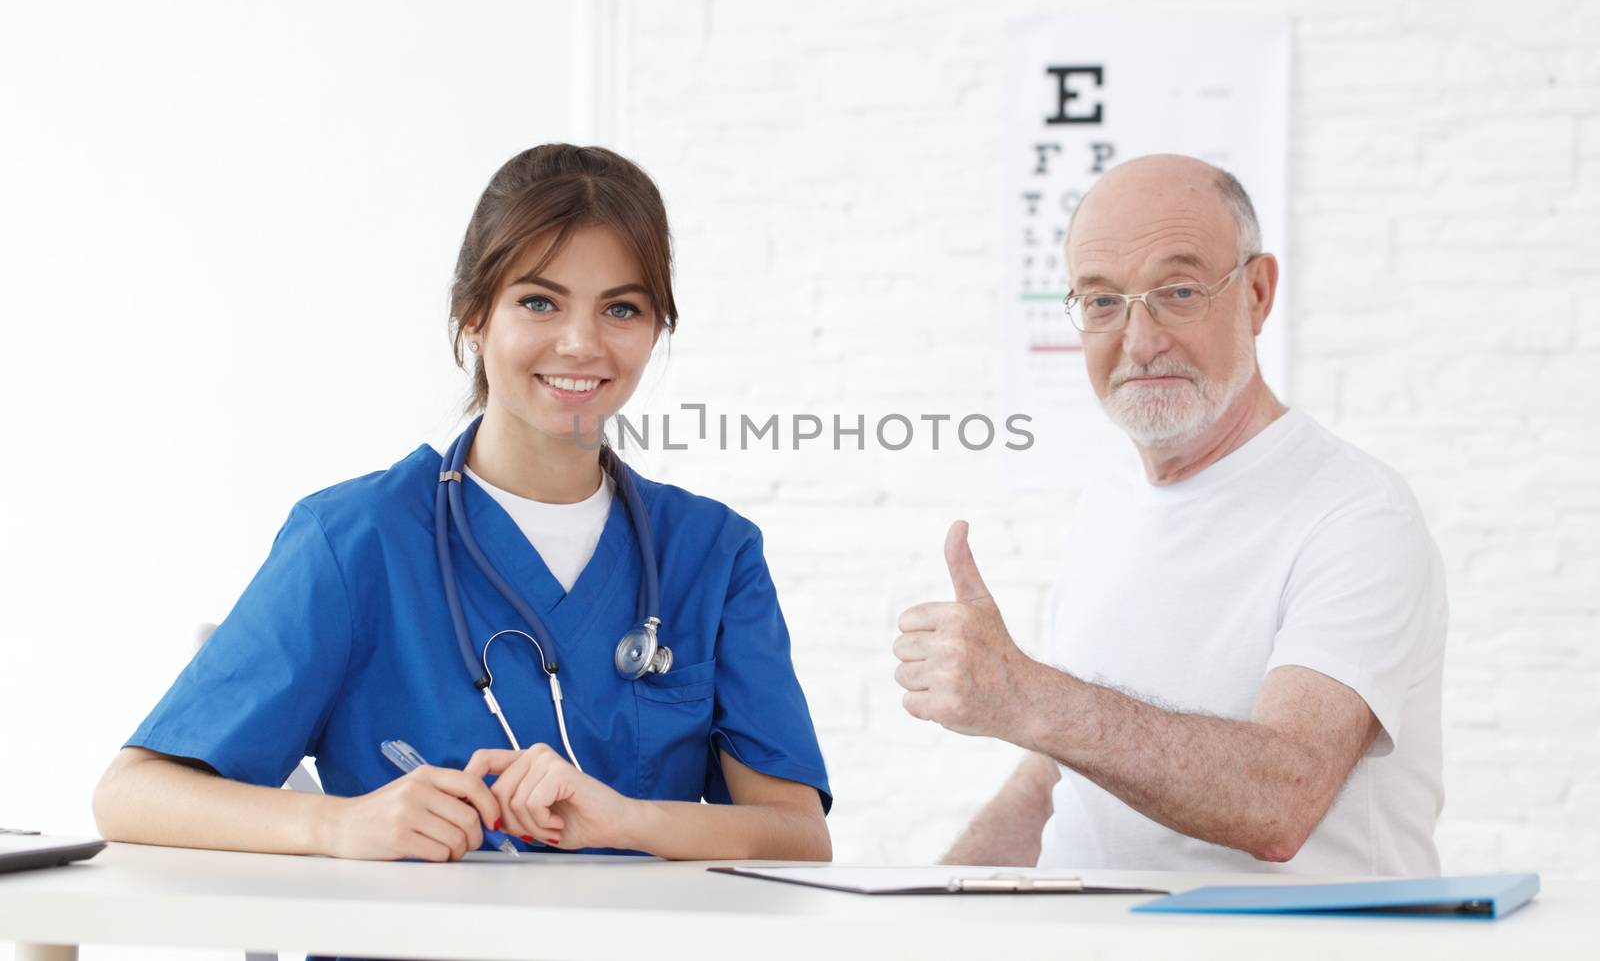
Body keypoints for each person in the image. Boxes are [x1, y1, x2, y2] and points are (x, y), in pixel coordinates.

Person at [95, 145, 831, 867]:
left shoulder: (711, 552)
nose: (580, 342)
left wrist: (629, 818)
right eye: (539, 301)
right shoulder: (357, 539)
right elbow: (132, 794)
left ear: (655, 330)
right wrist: (342, 823)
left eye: (622, 308)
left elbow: (797, 834)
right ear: (472, 316)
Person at [893, 154, 1446, 876]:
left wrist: (1025, 694)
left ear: (1256, 291)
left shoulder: (1357, 516)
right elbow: (1060, 774)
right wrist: (928, 902)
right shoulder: (1110, 499)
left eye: (1178, 291)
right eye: (1100, 302)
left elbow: (1282, 799)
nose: (1140, 339)